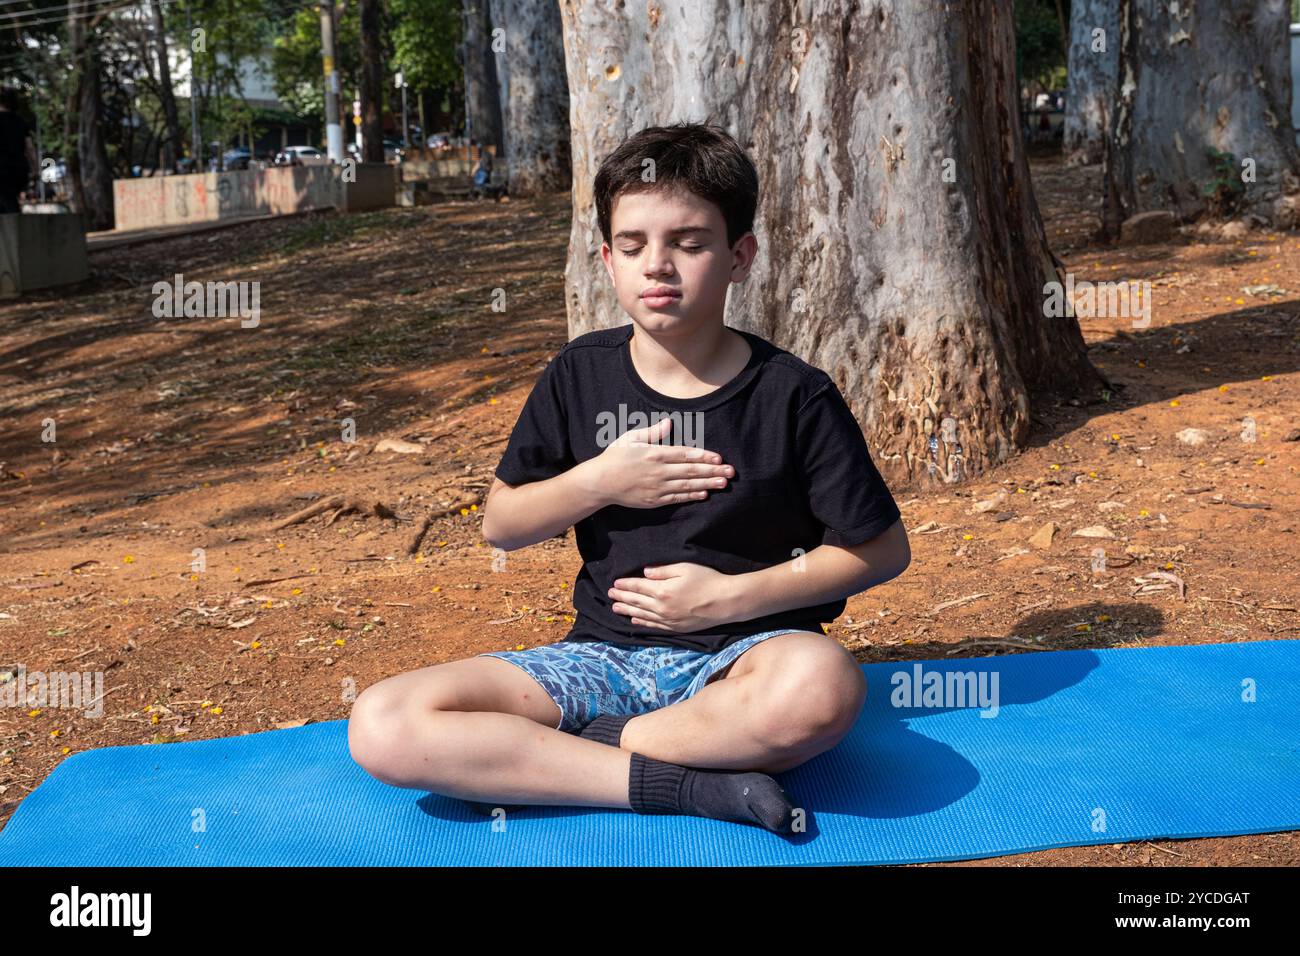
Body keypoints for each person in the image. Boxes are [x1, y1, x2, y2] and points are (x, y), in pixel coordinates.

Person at [348, 122, 910, 835]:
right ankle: (684, 785)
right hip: (600, 660)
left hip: (746, 664)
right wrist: (602, 480)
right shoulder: (579, 374)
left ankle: (572, 756)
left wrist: (728, 600)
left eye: (689, 242)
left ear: (740, 256)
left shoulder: (793, 395)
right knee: (384, 722)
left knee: (822, 686)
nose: (659, 267)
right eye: (635, 246)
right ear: (608, 260)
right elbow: (503, 523)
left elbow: (882, 550)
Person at [0, 89, 37, 214]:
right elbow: (30, 148)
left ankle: (17, 227)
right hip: (19, 170)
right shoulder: (21, 121)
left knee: (9, 204)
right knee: (7, 201)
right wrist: (36, 169)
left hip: (2, 171)